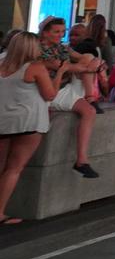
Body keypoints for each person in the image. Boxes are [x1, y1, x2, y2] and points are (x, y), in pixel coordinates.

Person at [0, 33, 72, 225]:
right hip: (27, 122)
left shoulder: (1, 62)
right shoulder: (35, 68)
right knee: (13, 169)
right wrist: (60, 73)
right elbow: (50, 95)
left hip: (2, 120)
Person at [36, 18, 102, 178]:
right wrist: (91, 67)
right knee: (87, 63)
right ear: (45, 32)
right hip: (46, 90)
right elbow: (62, 66)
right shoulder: (38, 49)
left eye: (62, 31)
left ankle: (82, 160)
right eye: (56, 31)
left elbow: (81, 59)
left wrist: (94, 63)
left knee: (89, 112)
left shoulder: (62, 47)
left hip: (63, 88)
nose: (61, 35)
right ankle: (90, 97)